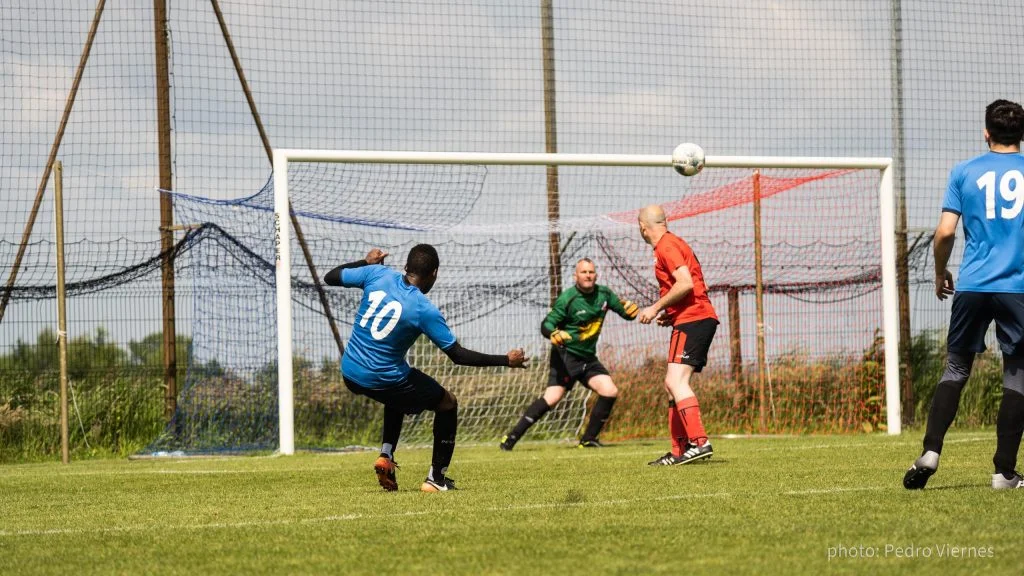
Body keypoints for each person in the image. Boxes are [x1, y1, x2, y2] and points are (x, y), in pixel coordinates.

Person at [325, 244, 528, 493]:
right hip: (383, 377)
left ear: (406, 266)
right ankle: (436, 479)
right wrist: (505, 360)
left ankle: (386, 456)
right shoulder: (423, 308)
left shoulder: (377, 273)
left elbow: (330, 277)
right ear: (434, 273)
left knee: (398, 388)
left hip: (350, 371)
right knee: (447, 403)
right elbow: (458, 355)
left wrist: (366, 263)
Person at [903, 99, 1024, 491]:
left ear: (986, 133)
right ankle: (1004, 473)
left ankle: (930, 452)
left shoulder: (963, 172)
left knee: (955, 369)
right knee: (1018, 374)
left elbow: (945, 232)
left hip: (972, 285)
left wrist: (940, 272)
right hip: (1017, 289)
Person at [499, 258, 639, 450]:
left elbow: (625, 312)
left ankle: (588, 439)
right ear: (575, 276)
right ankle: (510, 438)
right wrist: (553, 333)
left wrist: (631, 312)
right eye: (584, 272)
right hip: (566, 356)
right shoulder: (568, 298)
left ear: (596, 275)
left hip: (588, 357)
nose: (588, 275)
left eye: (591, 272)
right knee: (552, 398)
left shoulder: (604, 294)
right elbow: (547, 324)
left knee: (609, 391)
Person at [636, 204, 719, 466]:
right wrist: (671, 313)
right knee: (671, 384)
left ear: (642, 227)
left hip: (694, 319)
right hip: (690, 318)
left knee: (676, 381)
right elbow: (694, 286)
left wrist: (655, 308)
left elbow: (685, 283)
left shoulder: (666, 246)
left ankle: (700, 443)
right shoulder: (673, 243)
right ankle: (679, 450)